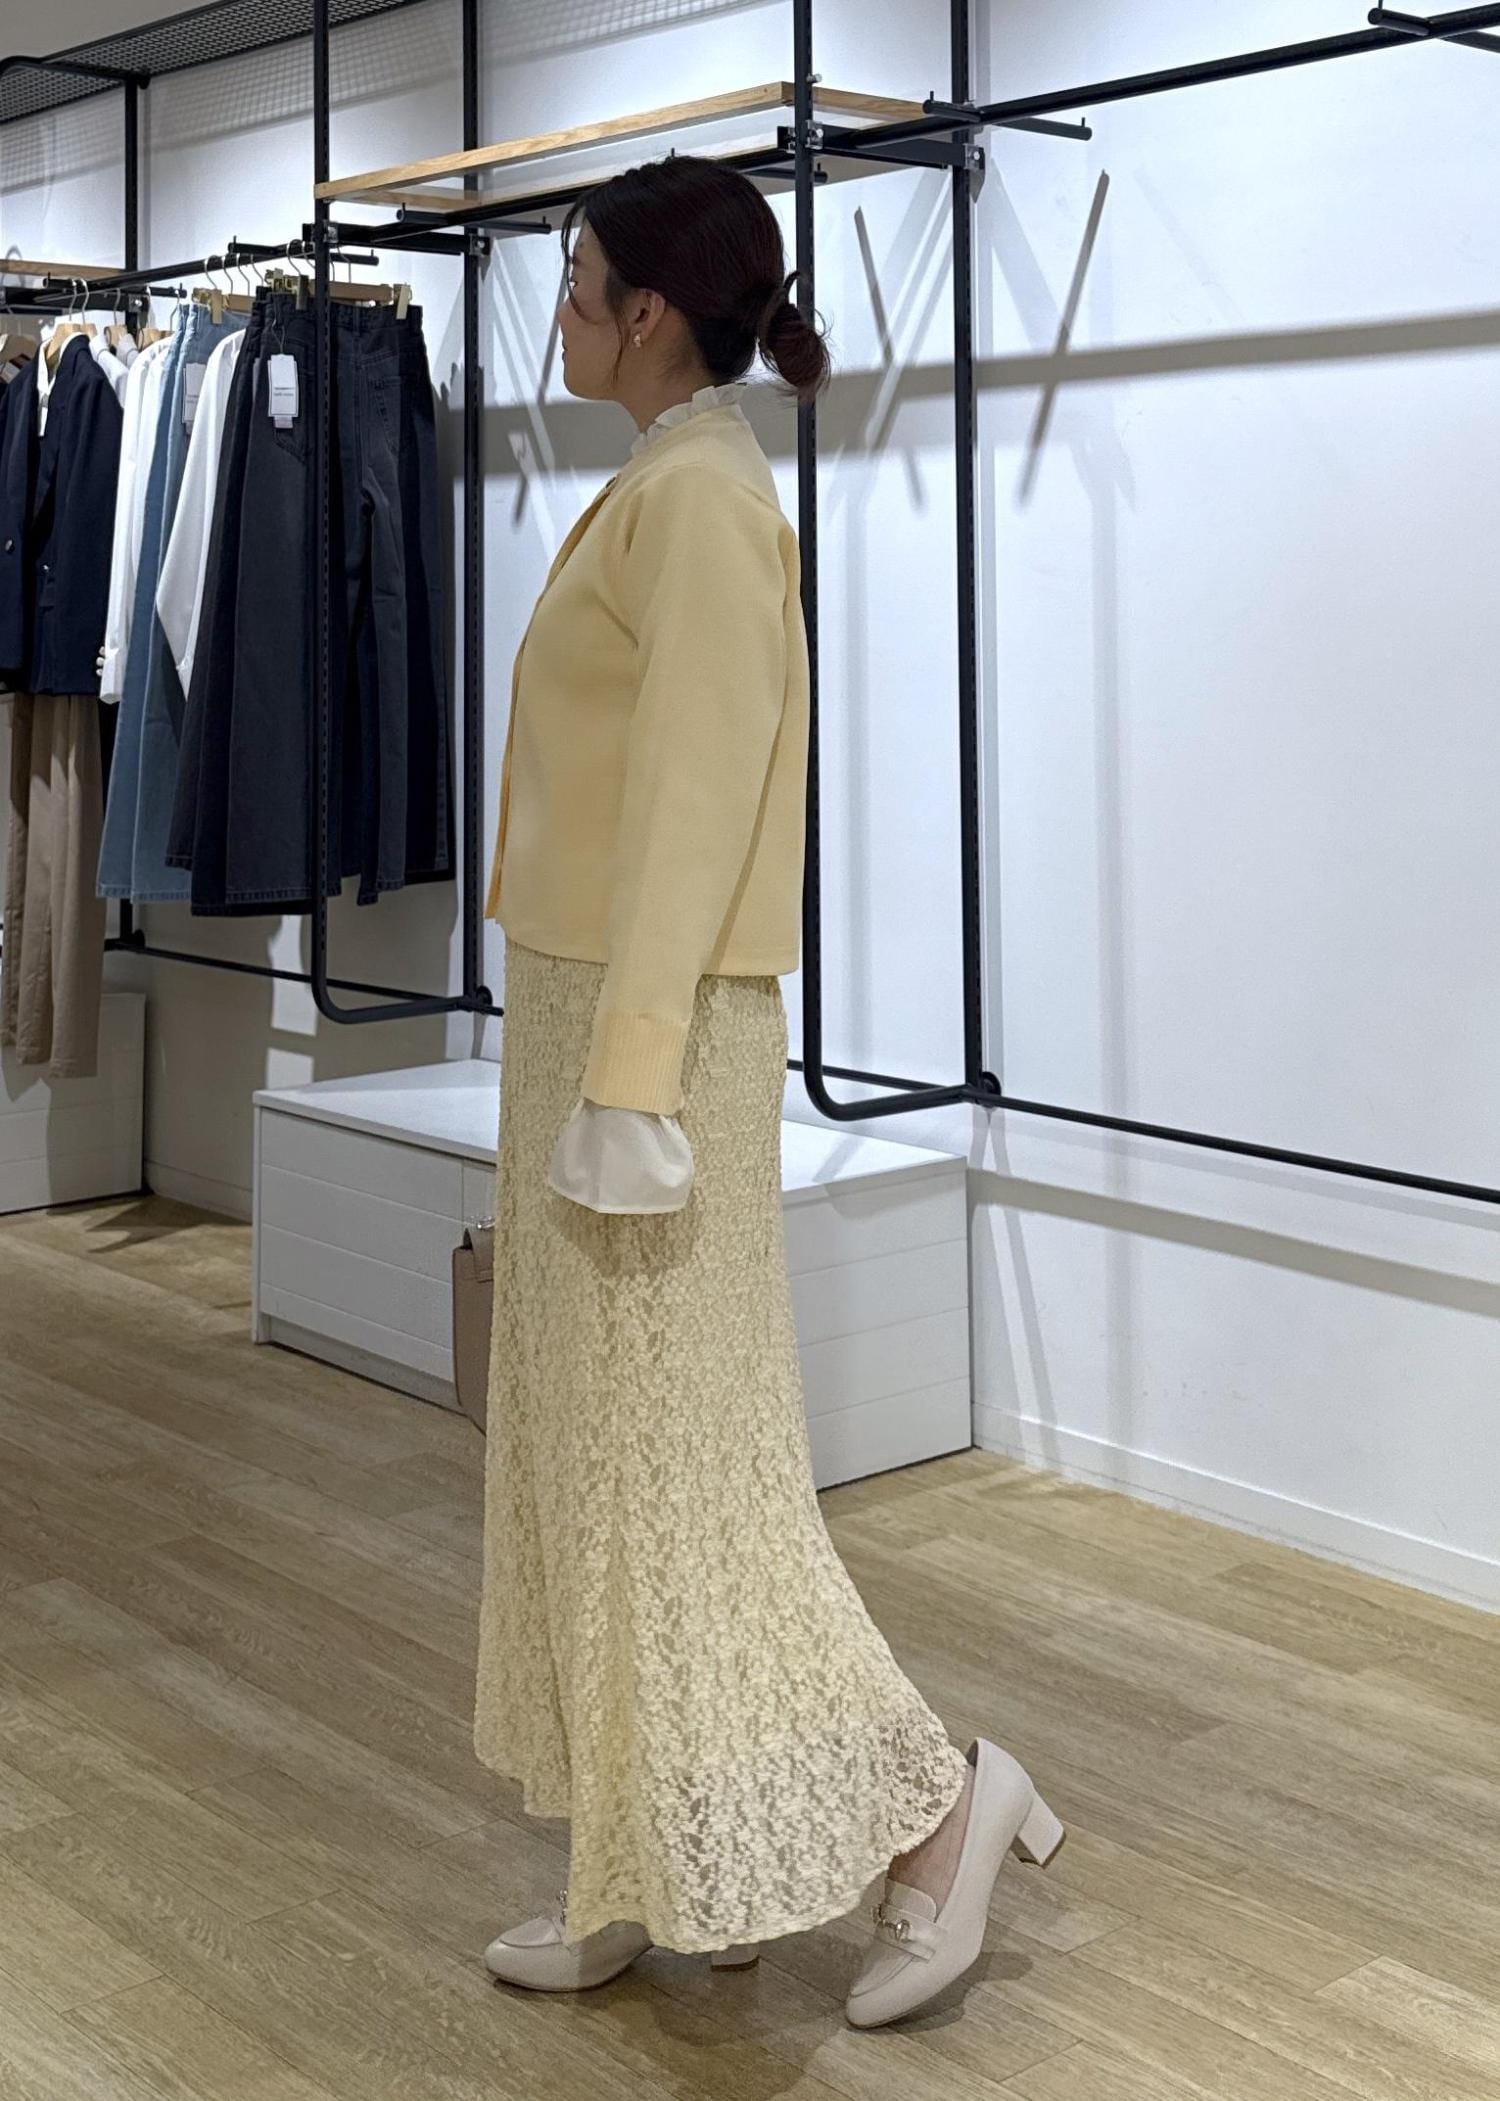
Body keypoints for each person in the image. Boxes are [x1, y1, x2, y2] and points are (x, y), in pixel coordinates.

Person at [472, 152, 1064, 2031]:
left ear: (650, 310)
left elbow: (697, 802)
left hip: (644, 1037)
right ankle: (661, 1853)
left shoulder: (707, 503)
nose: (559, 317)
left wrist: (633, 1074)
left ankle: (942, 1809)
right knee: (597, 1458)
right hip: (587, 1016)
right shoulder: (670, 481)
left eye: (577, 285)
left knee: (682, 1473)